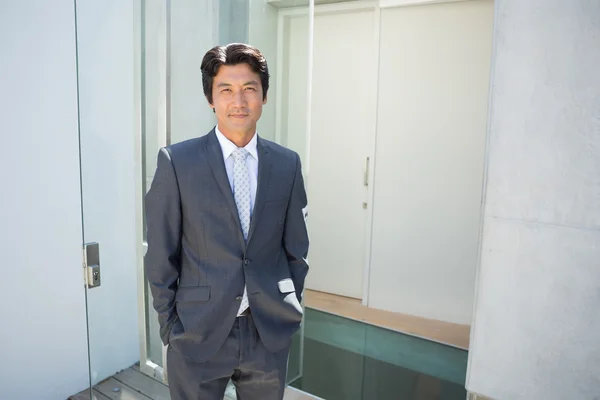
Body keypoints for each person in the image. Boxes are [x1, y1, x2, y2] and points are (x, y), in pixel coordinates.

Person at [144, 43, 309, 400]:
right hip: (196, 332)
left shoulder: (287, 164)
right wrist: (170, 327)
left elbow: (297, 249)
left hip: (267, 331)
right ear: (211, 99)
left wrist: (287, 305)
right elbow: (160, 253)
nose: (239, 101)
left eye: (250, 88)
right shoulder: (177, 162)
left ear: (264, 96)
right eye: (226, 90)